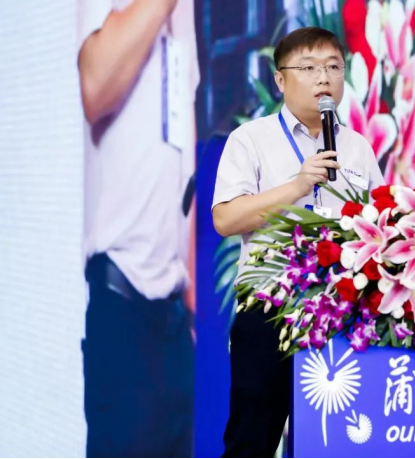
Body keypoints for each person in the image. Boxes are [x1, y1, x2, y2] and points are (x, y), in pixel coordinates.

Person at [212, 27, 386, 458]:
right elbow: (226, 218)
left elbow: (382, 227)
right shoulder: (250, 139)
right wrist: (296, 186)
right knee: (251, 443)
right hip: (270, 311)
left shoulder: (358, 147)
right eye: (309, 68)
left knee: (338, 443)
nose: (323, 77)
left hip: (345, 316)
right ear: (280, 79)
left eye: (333, 67)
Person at [76, 0, 199, 456]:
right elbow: (95, 86)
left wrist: (192, 316)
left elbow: (181, 169)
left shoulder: (185, 15)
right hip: (124, 306)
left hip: (175, 324)